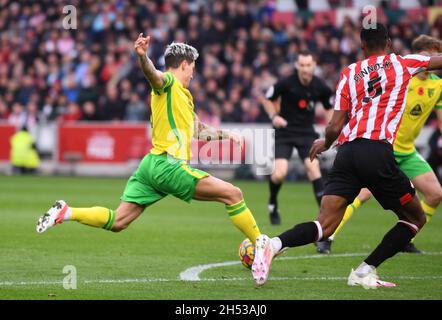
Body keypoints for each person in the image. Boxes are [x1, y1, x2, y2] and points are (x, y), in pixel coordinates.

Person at [251, 23, 442, 288]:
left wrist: (326, 142)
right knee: (415, 218)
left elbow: (334, 125)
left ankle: (273, 244)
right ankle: (365, 270)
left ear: (362, 46)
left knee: (324, 225)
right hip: (377, 152)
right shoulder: (403, 63)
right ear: (388, 43)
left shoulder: (350, 72)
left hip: (347, 153)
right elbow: (437, 61)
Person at [36, 35, 264, 254]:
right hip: (169, 165)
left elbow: (198, 130)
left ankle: (67, 212)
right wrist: (143, 57)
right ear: (184, 64)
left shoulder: (183, 96)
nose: (194, 73)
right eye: (193, 67)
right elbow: (153, 75)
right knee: (233, 194)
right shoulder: (168, 82)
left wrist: (227, 135)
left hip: (151, 165)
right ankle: (262, 246)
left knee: (118, 221)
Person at [316, 35, 442, 254]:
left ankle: (406, 238)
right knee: (361, 194)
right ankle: (328, 237)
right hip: (382, 148)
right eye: (432, 52)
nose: (434, 57)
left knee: (435, 193)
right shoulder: (402, 74)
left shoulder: (438, 85)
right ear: (420, 53)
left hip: (407, 151)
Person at [260, 51, 333, 225]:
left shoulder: (321, 87)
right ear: (297, 66)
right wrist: (273, 117)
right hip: (285, 132)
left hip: (307, 133)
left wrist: (331, 127)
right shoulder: (286, 82)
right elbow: (267, 99)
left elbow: (329, 108)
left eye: (308, 65)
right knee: (279, 174)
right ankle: (272, 203)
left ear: (314, 66)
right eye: (302, 65)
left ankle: (324, 219)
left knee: (314, 170)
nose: (305, 69)